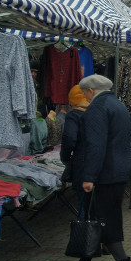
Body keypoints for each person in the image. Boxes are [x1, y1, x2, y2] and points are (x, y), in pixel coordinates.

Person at [68, 75, 131, 261]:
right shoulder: (118, 105)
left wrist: (89, 176)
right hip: (118, 171)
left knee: (104, 222)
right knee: (97, 220)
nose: (86, 98)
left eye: (85, 93)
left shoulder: (97, 108)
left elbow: (95, 146)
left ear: (90, 91)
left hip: (104, 175)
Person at [60, 85, 89, 218]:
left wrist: (65, 157)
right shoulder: (96, 113)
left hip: (83, 164)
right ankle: (97, 234)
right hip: (100, 164)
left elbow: (69, 138)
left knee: (83, 203)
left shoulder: (74, 116)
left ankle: (84, 235)